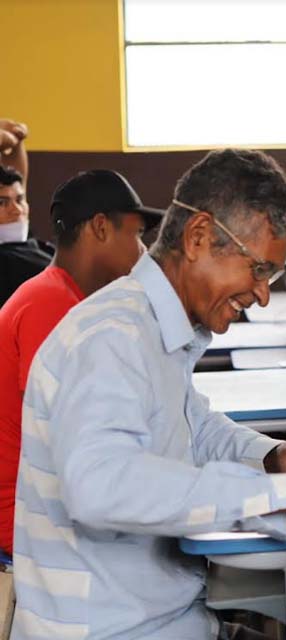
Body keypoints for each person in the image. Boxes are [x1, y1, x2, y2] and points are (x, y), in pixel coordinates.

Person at [12, 149, 286, 639]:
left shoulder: (150, 326)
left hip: (166, 619)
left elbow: (192, 426)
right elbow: (99, 485)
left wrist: (275, 457)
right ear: (198, 237)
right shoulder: (112, 337)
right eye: (259, 269)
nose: (262, 294)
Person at [0, 169, 165, 557]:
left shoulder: (65, 297)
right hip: (23, 515)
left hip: (43, 499)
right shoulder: (50, 306)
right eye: (137, 234)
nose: (143, 251)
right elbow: (83, 449)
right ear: (101, 228)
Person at [0, 126, 55, 306]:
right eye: (2, 203)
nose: (17, 210)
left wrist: (16, 141)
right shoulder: (6, 260)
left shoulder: (37, 247)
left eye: (20, 199)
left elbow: (17, 171)